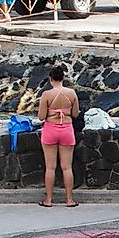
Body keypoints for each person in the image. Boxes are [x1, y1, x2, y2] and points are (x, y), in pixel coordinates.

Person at [36, 64, 81, 208]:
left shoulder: (46, 95)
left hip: (50, 130)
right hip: (67, 130)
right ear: (63, 77)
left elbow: (41, 116)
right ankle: (69, 200)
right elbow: (75, 114)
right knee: (67, 167)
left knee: (50, 167)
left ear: (50, 79)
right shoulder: (71, 93)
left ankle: (48, 200)